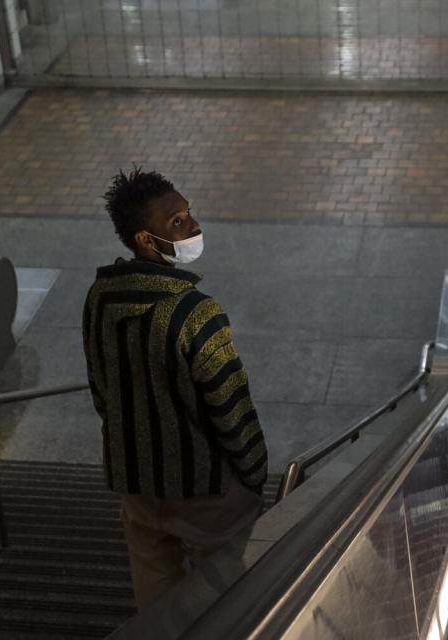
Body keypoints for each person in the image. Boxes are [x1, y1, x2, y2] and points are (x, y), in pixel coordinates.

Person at [82, 167, 268, 609]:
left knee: (156, 596)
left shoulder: (100, 298)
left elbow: (100, 389)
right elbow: (230, 407)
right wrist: (255, 472)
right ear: (146, 239)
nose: (194, 226)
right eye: (178, 222)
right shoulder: (195, 313)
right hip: (206, 489)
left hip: (137, 482)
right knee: (224, 593)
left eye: (189, 214)